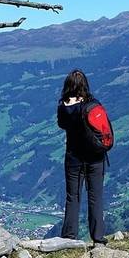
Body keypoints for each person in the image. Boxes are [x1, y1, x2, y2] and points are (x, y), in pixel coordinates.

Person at [55, 69, 108, 244]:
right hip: (94, 156)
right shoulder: (92, 104)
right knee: (95, 196)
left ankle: (70, 235)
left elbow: (62, 125)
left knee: (73, 196)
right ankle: (98, 237)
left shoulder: (63, 107)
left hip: (73, 157)